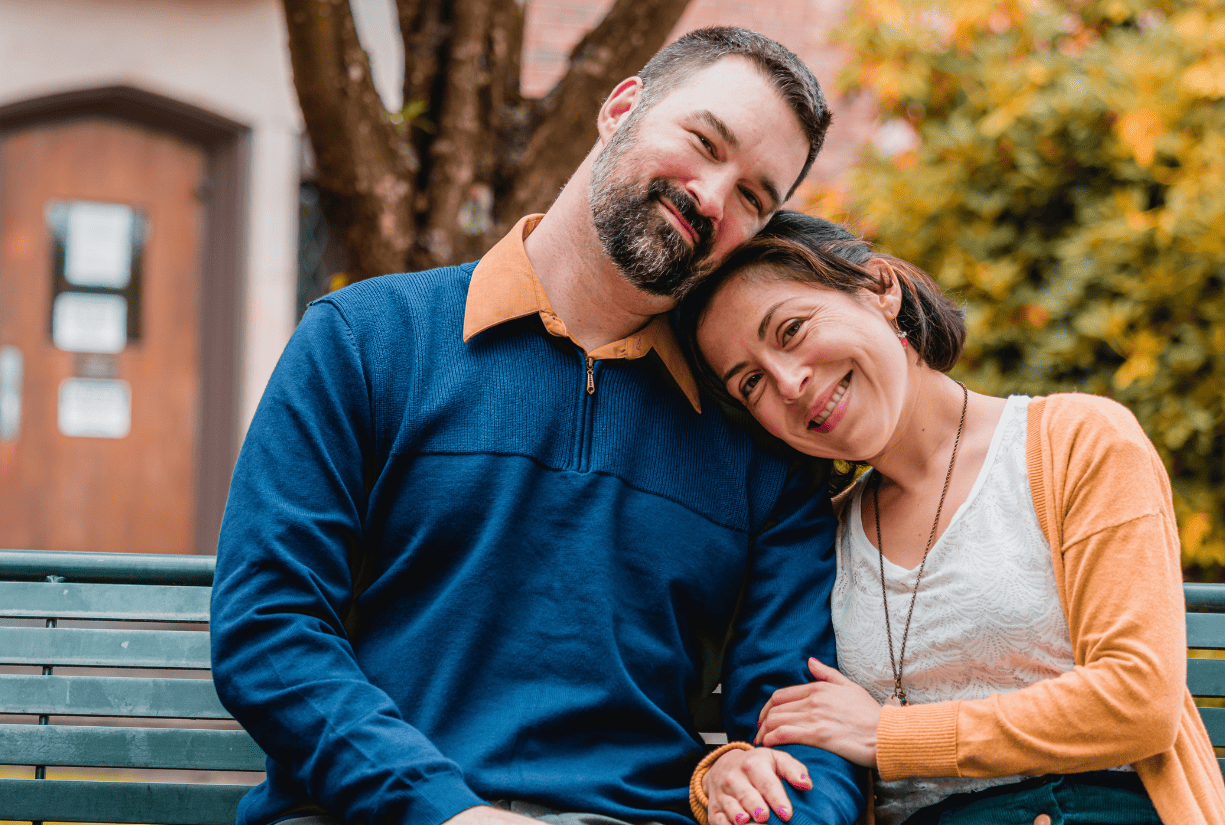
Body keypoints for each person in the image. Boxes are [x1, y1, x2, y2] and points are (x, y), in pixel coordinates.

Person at [211, 29, 866, 825]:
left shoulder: (760, 442)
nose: (711, 196)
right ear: (621, 107)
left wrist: (792, 805)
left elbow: (801, 727)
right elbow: (270, 629)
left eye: (754, 197)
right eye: (702, 141)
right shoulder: (365, 339)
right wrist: (446, 813)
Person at [678, 210, 1225, 825]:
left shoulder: (1078, 442)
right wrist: (719, 772)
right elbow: (786, 727)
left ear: (881, 289)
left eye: (792, 329)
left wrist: (892, 736)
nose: (789, 382)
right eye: (750, 383)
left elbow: (1137, 699)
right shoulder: (815, 544)